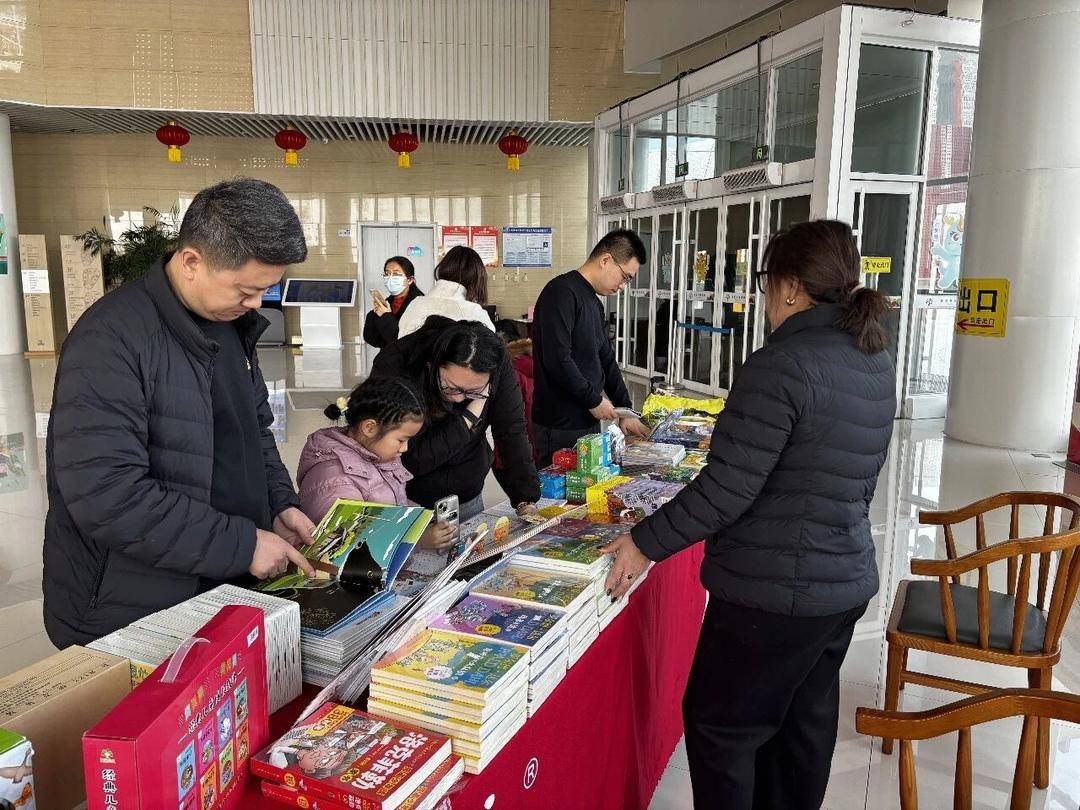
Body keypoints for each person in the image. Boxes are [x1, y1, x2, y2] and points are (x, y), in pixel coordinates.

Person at [601, 220, 896, 810]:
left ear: (791, 287)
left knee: (722, 727)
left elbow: (726, 491)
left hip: (773, 593)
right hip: (842, 581)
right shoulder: (872, 356)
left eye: (766, 284)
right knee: (801, 727)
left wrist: (643, 542)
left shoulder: (781, 364)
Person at [42, 178, 318, 649]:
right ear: (191, 261)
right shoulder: (110, 340)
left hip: (221, 581)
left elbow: (254, 430)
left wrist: (278, 503)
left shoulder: (231, 324)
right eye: (246, 290)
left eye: (265, 290)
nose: (256, 304)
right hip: (132, 607)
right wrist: (241, 545)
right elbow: (107, 495)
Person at [371, 317, 539, 520]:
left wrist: (526, 498)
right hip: (406, 499)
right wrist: (469, 416)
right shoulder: (398, 364)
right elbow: (411, 460)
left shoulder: (495, 361)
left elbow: (511, 430)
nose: (459, 398)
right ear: (432, 365)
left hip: (466, 491)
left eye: (473, 392)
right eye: (450, 387)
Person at [531, 229, 651, 467]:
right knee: (560, 489)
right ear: (606, 260)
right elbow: (558, 359)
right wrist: (594, 400)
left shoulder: (594, 303)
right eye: (625, 277)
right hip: (560, 424)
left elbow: (605, 358)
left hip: (587, 419)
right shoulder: (561, 293)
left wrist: (625, 410)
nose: (623, 286)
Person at [296, 376, 456, 552]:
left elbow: (392, 503)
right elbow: (350, 549)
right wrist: (417, 540)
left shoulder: (377, 454)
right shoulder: (337, 481)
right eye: (401, 440)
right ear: (370, 428)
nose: (405, 448)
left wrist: (421, 522)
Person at [396, 246, 495, 338]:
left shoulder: (415, 304)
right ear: (476, 279)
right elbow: (490, 347)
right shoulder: (474, 313)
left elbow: (401, 343)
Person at [362, 255, 424, 349]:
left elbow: (404, 342)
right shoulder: (388, 303)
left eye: (396, 274)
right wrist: (375, 315)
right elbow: (373, 339)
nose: (390, 278)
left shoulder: (420, 304)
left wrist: (385, 316)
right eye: (387, 274)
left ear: (410, 280)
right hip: (388, 357)